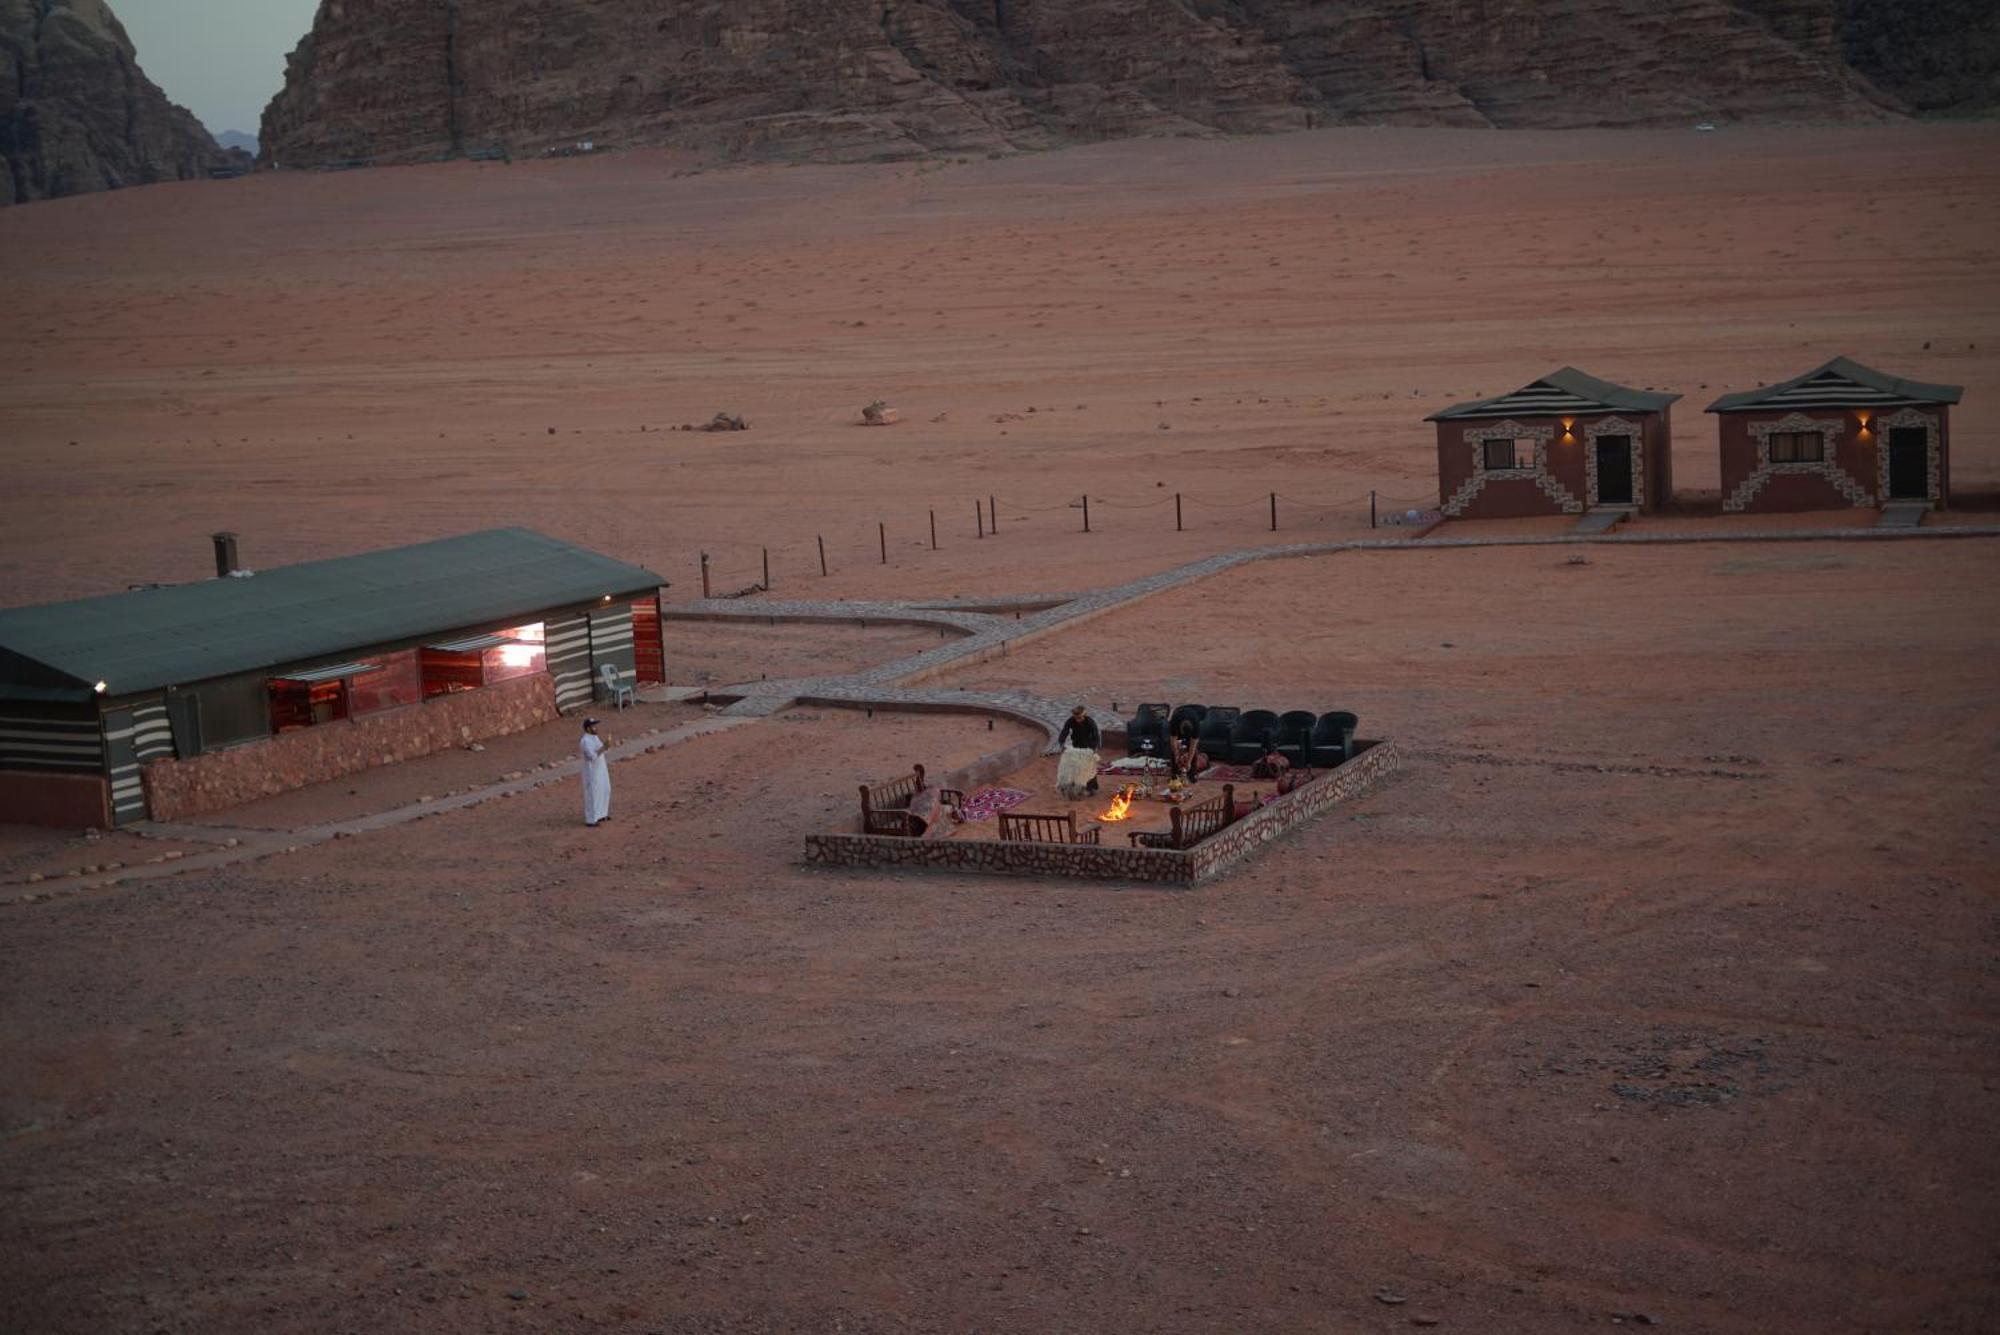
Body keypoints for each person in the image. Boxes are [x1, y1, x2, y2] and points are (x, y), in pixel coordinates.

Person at [1054, 704, 1102, 798]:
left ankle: (1091, 788)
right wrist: (1061, 743)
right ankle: (1078, 787)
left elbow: (1096, 736)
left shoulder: (1090, 722)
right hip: (1077, 745)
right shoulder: (1071, 721)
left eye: (1079, 718)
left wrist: (1094, 749)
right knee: (1077, 767)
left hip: (1089, 747)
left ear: (1084, 716)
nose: (1077, 720)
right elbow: (1064, 732)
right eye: (1076, 718)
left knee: (1089, 768)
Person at [579, 717, 611, 826]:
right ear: (588, 728)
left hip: (601, 769)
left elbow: (600, 749)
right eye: (593, 726)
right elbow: (592, 756)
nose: (595, 727)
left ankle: (601, 814)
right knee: (593, 794)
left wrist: (606, 746)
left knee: (605, 789)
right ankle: (591, 819)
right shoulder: (585, 741)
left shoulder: (594, 737)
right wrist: (604, 748)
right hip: (592, 772)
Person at [1170, 719, 1209, 783]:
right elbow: (1173, 742)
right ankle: (1174, 773)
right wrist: (1176, 755)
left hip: (1201, 757)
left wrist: (1189, 761)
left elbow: (1193, 746)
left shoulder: (1196, 727)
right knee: (1174, 751)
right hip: (1179, 727)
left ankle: (1192, 774)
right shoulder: (1174, 722)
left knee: (1193, 753)